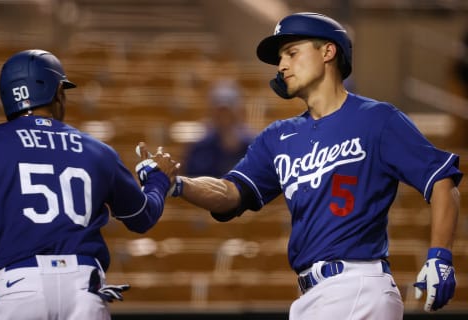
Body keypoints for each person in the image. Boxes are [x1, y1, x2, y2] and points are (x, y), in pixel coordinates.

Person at [140, 12, 463, 319]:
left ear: (328, 51)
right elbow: (231, 191)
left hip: (357, 285)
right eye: (281, 57)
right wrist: (178, 184)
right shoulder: (279, 137)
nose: (281, 65)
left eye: (291, 53)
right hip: (312, 295)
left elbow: (440, 180)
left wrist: (440, 256)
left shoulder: (376, 119)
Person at [0, 49, 179, 320]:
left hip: (17, 287)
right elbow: (142, 217)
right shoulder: (96, 150)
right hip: (83, 287)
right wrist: (158, 179)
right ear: (55, 92)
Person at [183, 79, 253, 177]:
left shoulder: (253, 147)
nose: (224, 117)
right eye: (220, 112)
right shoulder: (200, 149)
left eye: (228, 112)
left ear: (239, 111)